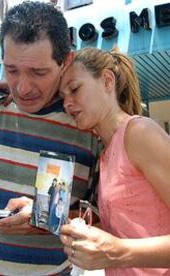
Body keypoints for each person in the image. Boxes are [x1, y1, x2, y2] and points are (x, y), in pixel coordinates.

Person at [0, 2, 100, 274]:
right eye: (12, 70)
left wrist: (49, 219)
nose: (23, 88)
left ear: (66, 62)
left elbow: (102, 218)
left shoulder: (89, 131)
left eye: (38, 72)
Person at [59, 47, 170, 275]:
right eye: (62, 97)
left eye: (74, 89)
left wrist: (117, 251)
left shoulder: (139, 133)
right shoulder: (106, 151)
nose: (67, 103)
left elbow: (119, 247)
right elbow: (130, 230)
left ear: (107, 80)